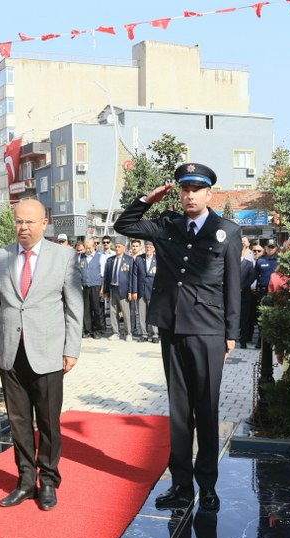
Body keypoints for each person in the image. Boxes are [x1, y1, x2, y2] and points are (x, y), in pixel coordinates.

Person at [114, 162, 241, 513]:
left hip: (209, 330)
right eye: (184, 189)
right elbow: (123, 225)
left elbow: (233, 285)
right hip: (172, 327)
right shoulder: (168, 223)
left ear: (208, 194)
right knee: (179, 411)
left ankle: (208, 485)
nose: (189, 195)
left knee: (207, 410)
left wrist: (232, 333)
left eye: (196, 190)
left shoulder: (226, 230)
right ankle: (181, 484)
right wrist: (147, 199)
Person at [0, 199, 83, 511]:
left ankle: (49, 480)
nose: (23, 228)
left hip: (48, 352)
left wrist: (71, 349)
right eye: (18, 222)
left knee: (48, 421)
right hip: (11, 352)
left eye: (30, 222)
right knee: (18, 421)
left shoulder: (64, 257)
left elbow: (74, 308)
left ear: (45, 223)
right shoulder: (0, 258)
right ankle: (26, 480)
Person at [103, 236, 135, 341]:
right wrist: (106, 290)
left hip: (124, 290)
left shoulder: (129, 260)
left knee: (126, 313)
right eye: (116, 247)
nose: (117, 248)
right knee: (113, 312)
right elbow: (107, 276)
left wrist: (131, 291)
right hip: (113, 289)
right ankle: (115, 332)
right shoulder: (110, 260)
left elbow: (131, 277)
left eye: (119, 247)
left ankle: (128, 333)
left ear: (124, 248)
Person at [131, 240, 159, 343]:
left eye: (150, 247)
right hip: (141, 290)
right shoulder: (139, 259)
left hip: (153, 291)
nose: (148, 249)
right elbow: (134, 275)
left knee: (154, 313)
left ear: (154, 249)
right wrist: (134, 291)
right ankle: (144, 333)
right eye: (147, 247)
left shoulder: (158, 259)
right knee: (141, 313)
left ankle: (155, 334)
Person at [78, 238, 105, 339]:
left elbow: (103, 275)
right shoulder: (81, 257)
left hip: (96, 286)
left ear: (94, 247)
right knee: (86, 309)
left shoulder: (100, 257)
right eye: (86, 248)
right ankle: (87, 330)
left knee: (97, 309)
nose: (88, 250)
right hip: (85, 286)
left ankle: (98, 330)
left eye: (89, 248)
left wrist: (102, 288)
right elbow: (78, 272)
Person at [239, 237, 257, 348]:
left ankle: (243, 340)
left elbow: (252, 277)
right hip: (232, 294)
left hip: (245, 294)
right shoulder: (231, 261)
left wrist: (243, 287)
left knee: (245, 318)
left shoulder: (249, 263)